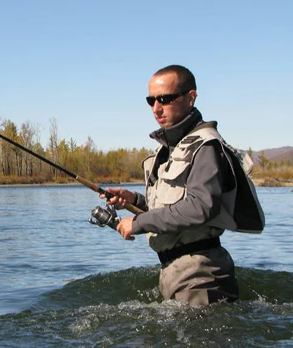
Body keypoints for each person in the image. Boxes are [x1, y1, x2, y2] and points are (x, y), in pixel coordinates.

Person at [101, 65, 264, 305]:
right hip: (175, 272)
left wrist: (137, 223)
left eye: (165, 99)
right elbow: (175, 205)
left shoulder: (205, 147)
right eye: (151, 100)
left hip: (200, 275)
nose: (157, 108)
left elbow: (199, 208)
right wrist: (134, 201)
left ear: (191, 98)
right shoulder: (171, 150)